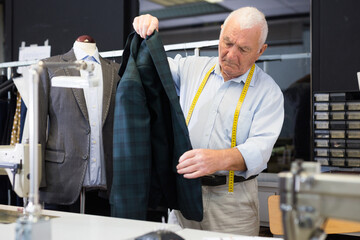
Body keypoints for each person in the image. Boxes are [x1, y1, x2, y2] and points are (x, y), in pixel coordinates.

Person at [133, 7, 284, 236]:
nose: (232, 55)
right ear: (221, 31)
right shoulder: (190, 68)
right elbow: (151, 69)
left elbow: (260, 150)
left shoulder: (268, 92)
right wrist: (147, 30)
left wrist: (218, 159)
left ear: (260, 51)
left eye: (243, 49)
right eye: (228, 42)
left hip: (232, 203)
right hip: (184, 194)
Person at [37, 36, 120, 216]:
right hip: (60, 180)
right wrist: (35, 178)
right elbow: (37, 127)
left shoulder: (115, 71)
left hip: (106, 184)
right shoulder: (49, 67)